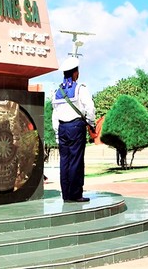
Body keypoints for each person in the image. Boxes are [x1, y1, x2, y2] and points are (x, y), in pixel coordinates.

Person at [52, 57, 96, 203]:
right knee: (76, 161)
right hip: (76, 127)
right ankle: (76, 194)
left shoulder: (57, 91)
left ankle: (66, 195)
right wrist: (91, 122)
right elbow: (89, 108)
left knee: (64, 161)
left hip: (62, 127)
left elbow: (55, 114)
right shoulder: (80, 88)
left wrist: (57, 133)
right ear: (75, 73)